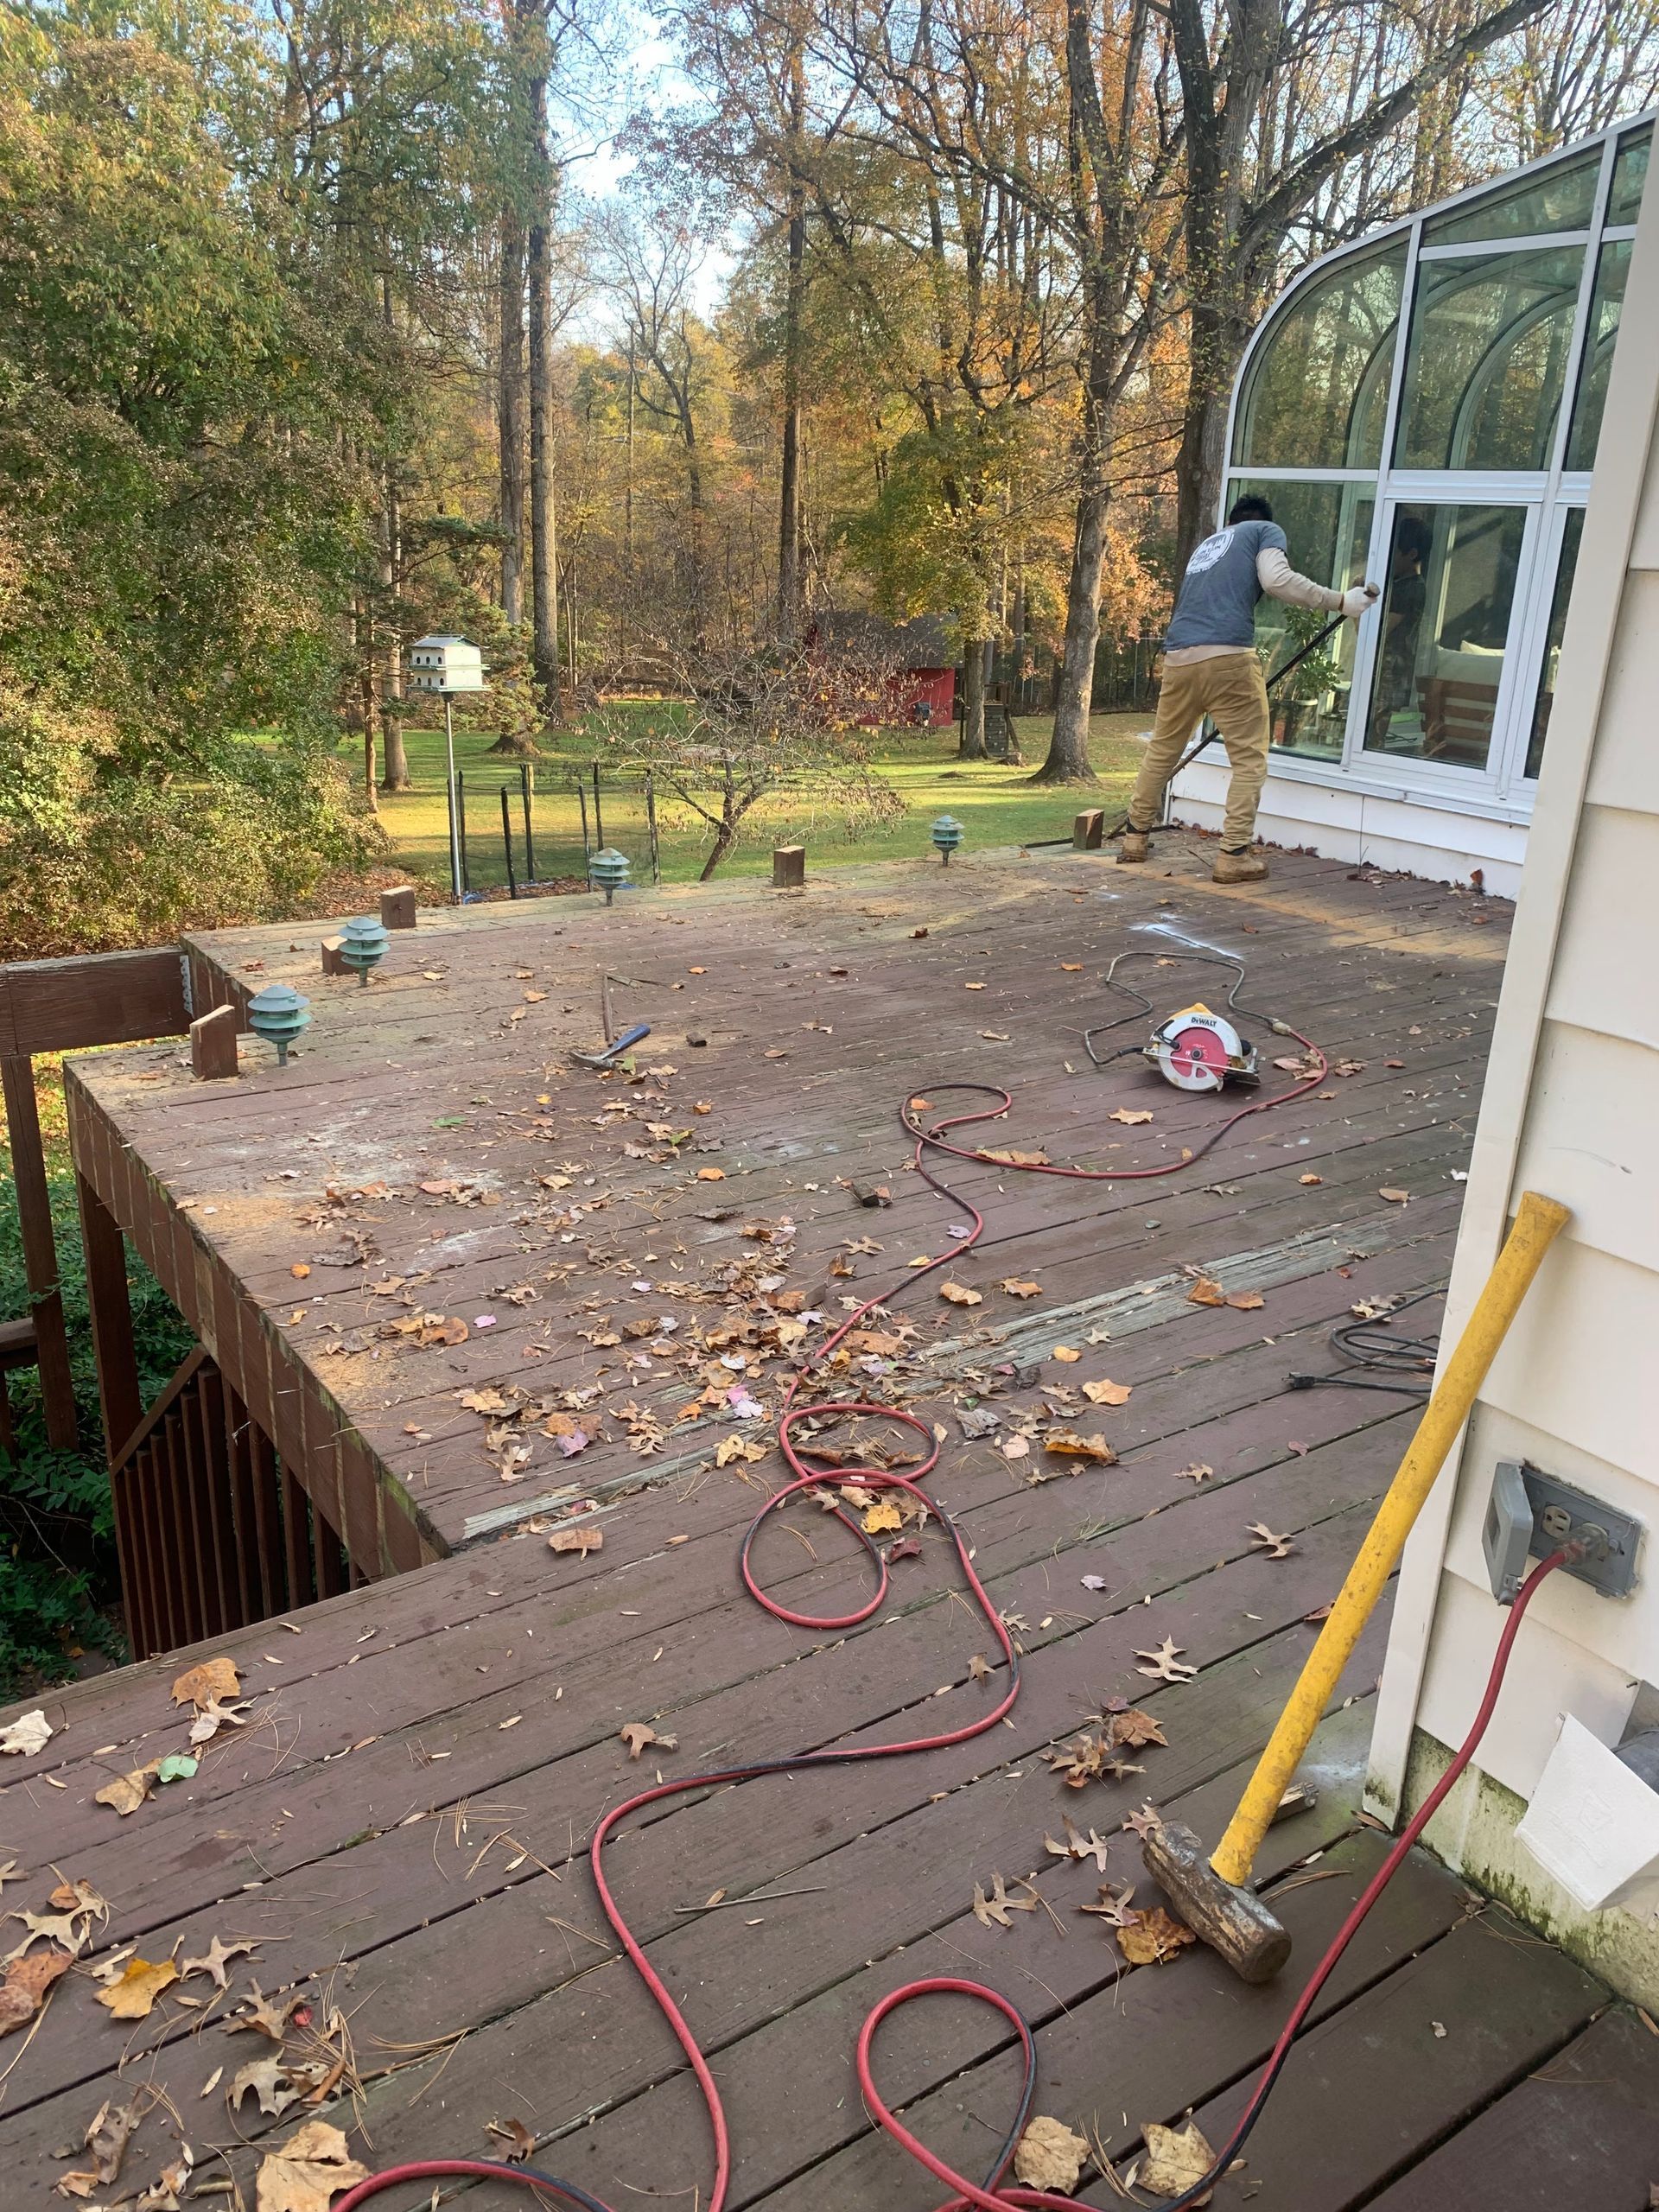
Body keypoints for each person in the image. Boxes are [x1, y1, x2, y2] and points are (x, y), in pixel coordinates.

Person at [1120, 496, 1378, 883]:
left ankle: (1134, 838)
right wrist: (1341, 601)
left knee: (1163, 748)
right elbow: (1276, 580)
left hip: (1178, 657)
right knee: (1250, 759)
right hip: (1228, 659)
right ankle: (1234, 854)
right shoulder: (1263, 531)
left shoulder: (1208, 547)